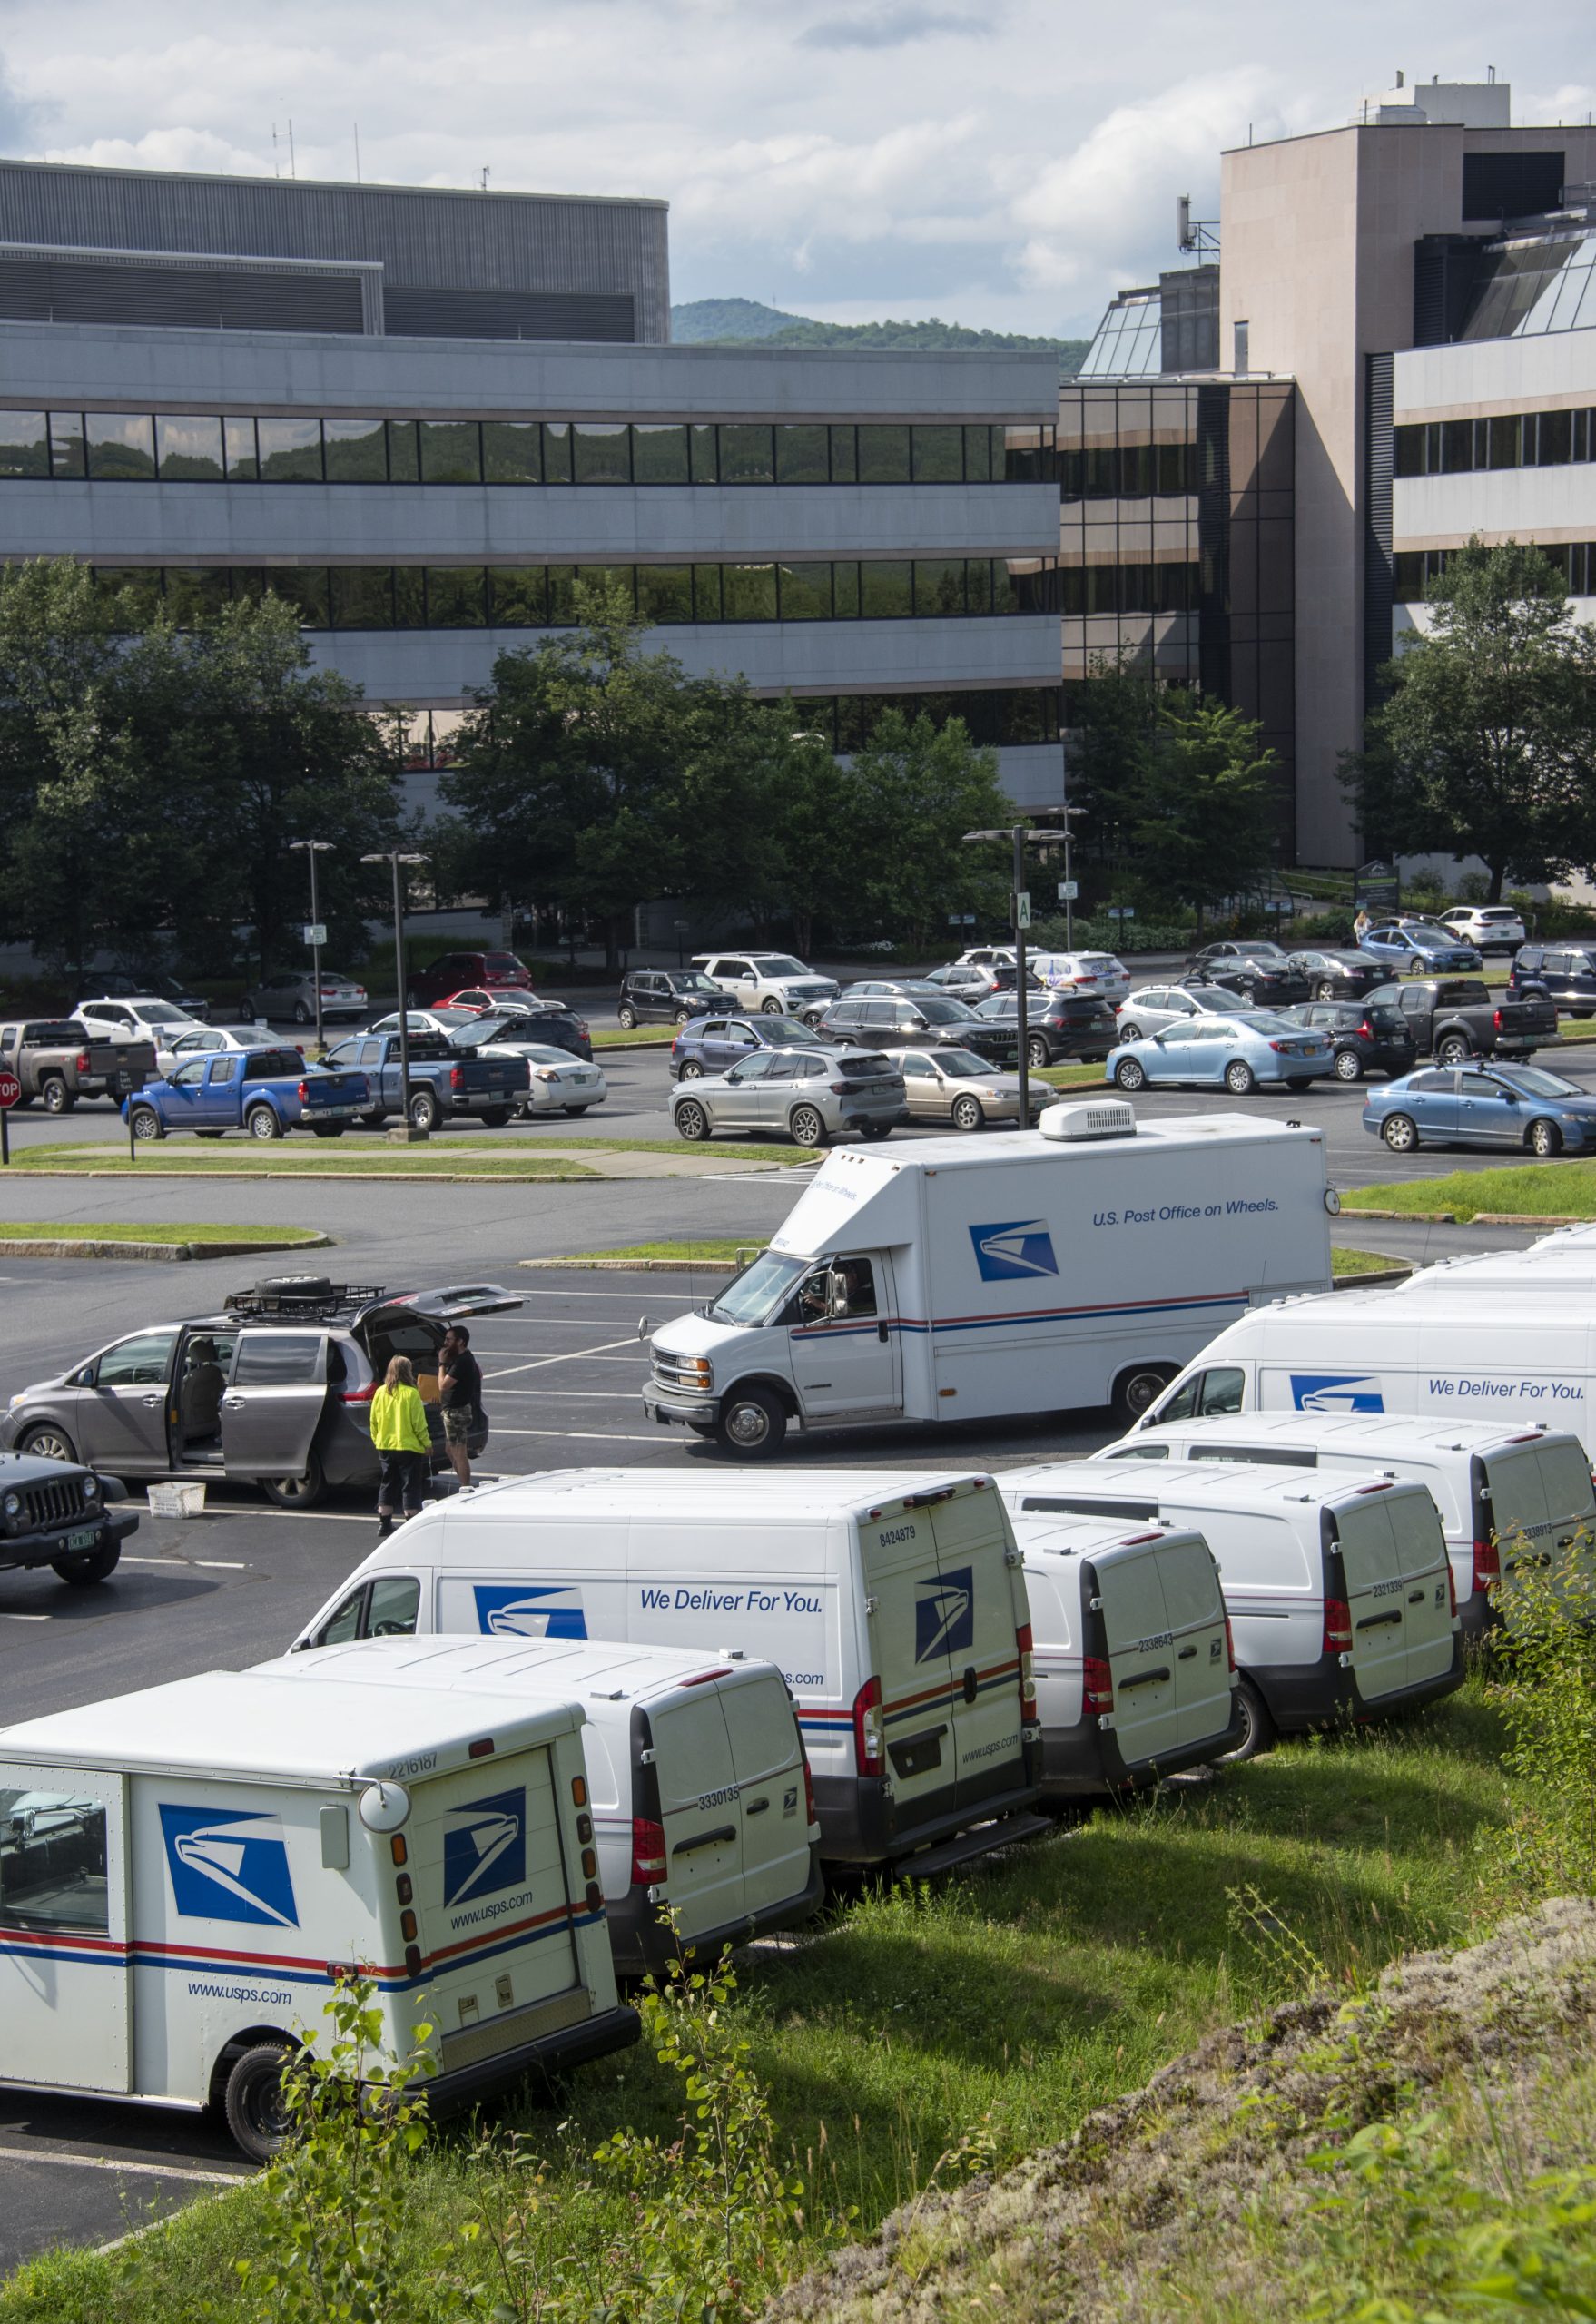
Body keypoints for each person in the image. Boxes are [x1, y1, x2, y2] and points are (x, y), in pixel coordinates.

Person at [370, 1354, 429, 1538]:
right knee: (410, 1486)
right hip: (408, 1446)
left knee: (387, 1483)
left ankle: (384, 1524)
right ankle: (410, 1525)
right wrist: (426, 1443)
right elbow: (419, 1424)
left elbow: (373, 1420)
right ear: (407, 1372)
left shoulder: (380, 1392)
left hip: (385, 1445)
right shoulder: (411, 1394)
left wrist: (377, 1439)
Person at [438, 1324, 483, 1490]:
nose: (445, 1343)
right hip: (454, 1410)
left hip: (456, 1412)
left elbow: (443, 1386)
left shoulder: (462, 1361)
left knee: (458, 1451)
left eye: (449, 1340)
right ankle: (463, 1483)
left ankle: (465, 1486)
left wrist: (441, 1364)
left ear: (461, 1341)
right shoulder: (462, 1358)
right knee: (450, 1450)